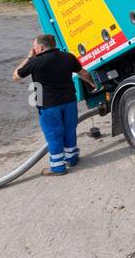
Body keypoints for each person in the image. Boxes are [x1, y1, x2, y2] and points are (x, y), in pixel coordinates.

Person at [13, 34, 97, 175]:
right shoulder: (68, 57)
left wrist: (29, 58)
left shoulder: (35, 62)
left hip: (48, 105)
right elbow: (82, 72)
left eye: (34, 47)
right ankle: (72, 158)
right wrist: (93, 83)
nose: (33, 50)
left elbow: (16, 76)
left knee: (54, 134)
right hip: (69, 101)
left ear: (40, 47)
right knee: (70, 130)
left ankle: (57, 167)